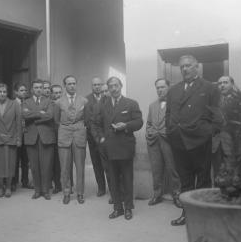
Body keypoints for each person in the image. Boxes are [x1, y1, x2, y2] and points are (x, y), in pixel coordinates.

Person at [166, 55, 222, 226]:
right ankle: (187, 214)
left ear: (197, 67)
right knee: (185, 180)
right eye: (182, 66)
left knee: (204, 180)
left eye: (188, 66)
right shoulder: (174, 90)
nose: (185, 69)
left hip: (199, 141)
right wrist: (171, 130)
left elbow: (218, 117)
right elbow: (169, 113)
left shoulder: (209, 88)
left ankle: (203, 217)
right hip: (179, 142)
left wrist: (206, 132)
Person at [92, 76, 143, 220]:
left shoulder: (131, 103)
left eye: (116, 85)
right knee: (113, 180)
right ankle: (117, 208)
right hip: (109, 148)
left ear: (121, 86)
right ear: (108, 89)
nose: (113, 89)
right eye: (110, 87)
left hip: (125, 147)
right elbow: (95, 124)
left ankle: (128, 208)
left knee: (127, 179)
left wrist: (126, 126)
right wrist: (101, 139)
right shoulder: (102, 105)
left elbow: (139, 122)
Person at [146, 78, 181, 207]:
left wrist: (168, 132)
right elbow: (149, 123)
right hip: (154, 141)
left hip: (169, 141)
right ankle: (157, 195)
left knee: (172, 168)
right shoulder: (152, 105)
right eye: (158, 88)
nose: (160, 90)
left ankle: (176, 195)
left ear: (168, 87)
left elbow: (178, 122)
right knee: (156, 169)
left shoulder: (175, 103)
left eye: (162, 87)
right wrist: (149, 132)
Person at [54, 75, 88, 204]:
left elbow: (86, 118)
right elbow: (56, 120)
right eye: (69, 84)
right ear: (65, 86)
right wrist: (67, 127)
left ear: (76, 84)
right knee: (64, 167)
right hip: (64, 134)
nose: (72, 86)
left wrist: (77, 127)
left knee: (80, 166)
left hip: (79, 134)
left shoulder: (84, 101)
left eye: (74, 83)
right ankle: (66, 192)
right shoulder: (58, 102)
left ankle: (80, 193)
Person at [22, 80, 56, 200]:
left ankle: (46, 190)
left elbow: (50, 115)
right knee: (34, 166)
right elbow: (24, 115)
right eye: (36, 87)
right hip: (31, 137)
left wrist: (33, 116)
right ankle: (37, 190)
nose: (38, 89)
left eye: (40, 87)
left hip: (46, 137)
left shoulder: (49, 101)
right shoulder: (26, 102)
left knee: (46, 165)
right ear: (32, 89)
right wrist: (40, 113)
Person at [0, 83, 22, 198]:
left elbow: (18, 123)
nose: (2, 94)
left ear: (8, 93)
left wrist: (18, 138)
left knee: (9, 164)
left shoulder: (15, 104)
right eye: (0, 92)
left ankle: (8, 187)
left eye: (4, 92)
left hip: (10, 138)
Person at [212, 76, 241, 176]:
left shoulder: (240, 99)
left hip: (233, 142)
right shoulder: (214, 100)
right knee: (218, 171)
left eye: (225, 82)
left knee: (234, 172)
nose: (222, 85)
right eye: (220, 83)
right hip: (216, 142)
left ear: (232, 84)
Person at [85, 77, 110, 197]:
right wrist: (96, 137)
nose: (97, 87)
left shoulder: (108, 98)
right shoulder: (86, 100)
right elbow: (88, 120)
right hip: (92, 138)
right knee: (96, 164)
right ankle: (101, 188)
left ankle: (112, 188)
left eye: (99, 84)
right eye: (95, 85)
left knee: (108, 164)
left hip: (106, 138)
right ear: (91, 86)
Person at [12, 83, 31, 190]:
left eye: (25, 90)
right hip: (16, 134)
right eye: (21, 90)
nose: (24, 92)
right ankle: (14, 182)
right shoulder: (12, 103)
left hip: (27, 134)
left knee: (25, 159)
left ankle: (25, 181)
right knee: (15, 159)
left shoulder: (28, 103)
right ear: (16, 92)